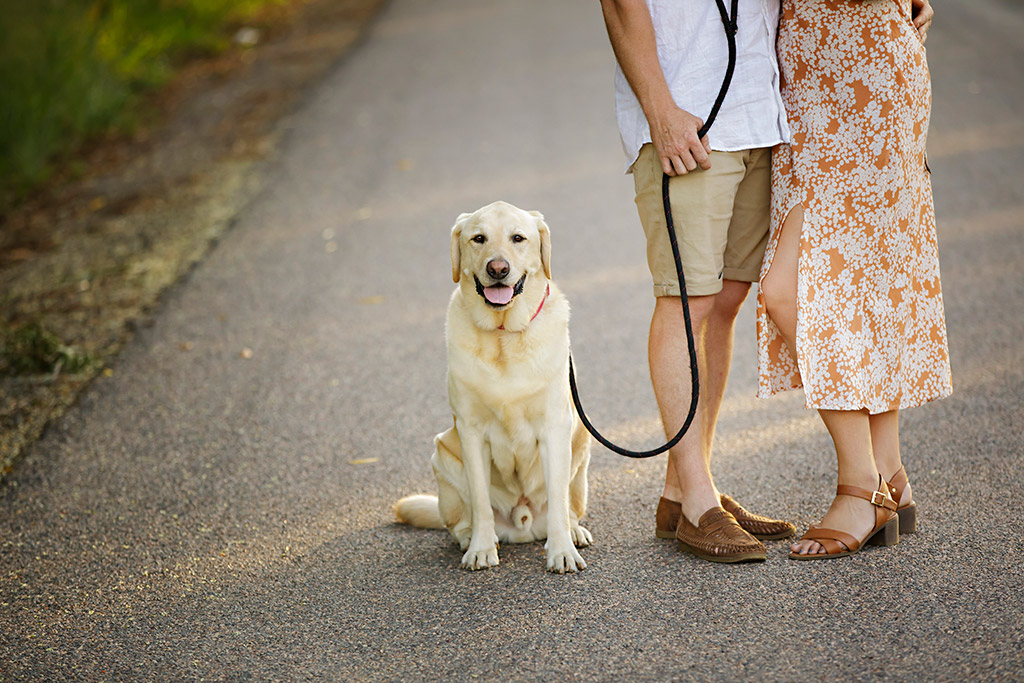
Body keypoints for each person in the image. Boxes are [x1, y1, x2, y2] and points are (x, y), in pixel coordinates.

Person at [601, 0, 795, 563]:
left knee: (728, 297)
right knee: (687, 300)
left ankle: (682, 489)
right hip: (685, 117)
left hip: (758, 112)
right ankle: (698, 506)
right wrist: (660, 110)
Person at [757, 0, 950, 560]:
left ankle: (859, 485)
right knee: (863, 289)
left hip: (863, 72)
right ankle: (889, 476)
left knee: (788, 289)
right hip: (816, 80)